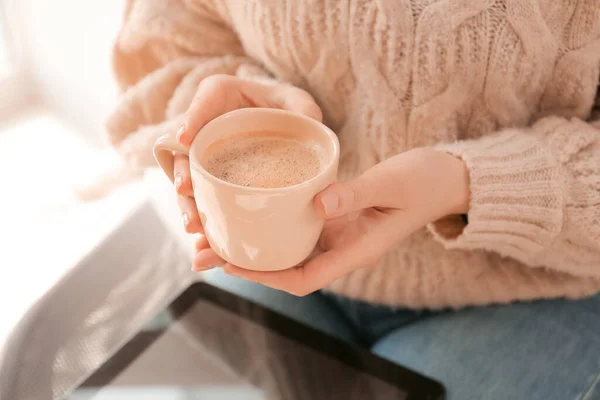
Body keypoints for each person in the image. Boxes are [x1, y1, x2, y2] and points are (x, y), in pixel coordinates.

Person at [107, 1, 600, 398]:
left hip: (535, 283)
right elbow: (163, 44)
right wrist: (223, 107)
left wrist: (466, 183)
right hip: (281, 257)